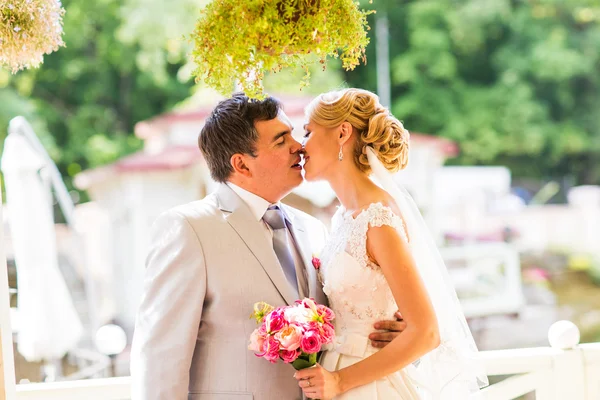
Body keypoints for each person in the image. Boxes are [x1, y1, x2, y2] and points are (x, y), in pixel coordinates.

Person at [130, 92, 408, 400]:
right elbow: (159, 356)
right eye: (281, 140)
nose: (299, 147)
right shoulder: (189, 228)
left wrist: (396, 325)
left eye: (294, 133)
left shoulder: (315, 229)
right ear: (242, 165)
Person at [295, 88, 487, 399]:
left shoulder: (378, 220)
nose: (301, 146)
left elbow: (425, 332)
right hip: (335, 375)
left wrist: (340, 381)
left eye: (308, 132)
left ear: (342, 132)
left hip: (365, 384)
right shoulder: (345, 216)